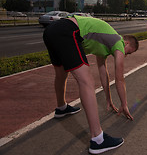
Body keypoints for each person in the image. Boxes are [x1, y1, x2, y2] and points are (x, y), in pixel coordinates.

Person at [43, 15, 139, 154]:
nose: (126, 55)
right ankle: (98, 139)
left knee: (61, 73)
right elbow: (119, 79)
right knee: (86, 81)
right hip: (68, 30)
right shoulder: (119, 42)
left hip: (52, 31)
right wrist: (124, 104)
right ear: (127, 43)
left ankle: (61, 107)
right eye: (128, 53)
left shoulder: (105, 43)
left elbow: (103, 72)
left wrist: (108, 99)